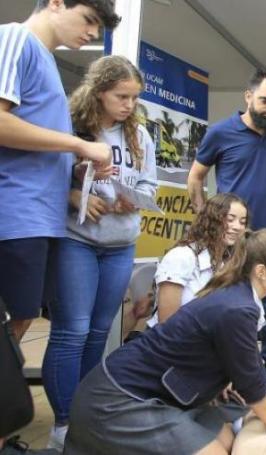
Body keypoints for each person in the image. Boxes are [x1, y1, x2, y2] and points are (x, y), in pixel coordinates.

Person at [63, 229, 266, 455]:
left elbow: (251, 366)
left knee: (226, 441)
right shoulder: (237, 307)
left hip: (160, 394)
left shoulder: (239, 297)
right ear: (261, 271)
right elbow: (249, 379)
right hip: (117, 401)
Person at [40, 55, 157, 451]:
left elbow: (150, 189)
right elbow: (39, 179)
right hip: (77, 241)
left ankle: (85, 414)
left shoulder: (141, 138)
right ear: (99, 92)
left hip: (120, 245)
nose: (128, 105)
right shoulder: (70, 129)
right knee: (71, 331)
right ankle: (63, 422)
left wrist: (134, 201)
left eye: (134, 98)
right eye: (121, 96)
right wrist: (75, 195)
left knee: (98, 334)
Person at [0, 0, 117, 348]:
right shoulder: (15, 38)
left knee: (18, 322)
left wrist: (77, 171)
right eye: (89, 20)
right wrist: (78, 146)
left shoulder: (47, 62)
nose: (93, 33)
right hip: (16, 214)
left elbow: (34, 146)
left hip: (41, 218)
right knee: (9, 324)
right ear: (55, 3)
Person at [187, 69, 266, 398]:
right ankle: (228, 376)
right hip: (231, 241)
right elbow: (196, 178)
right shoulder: (221, 133)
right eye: (265, 100)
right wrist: (204, 220)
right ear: (248, 97)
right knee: (230, 310)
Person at [148, 193, 248, 328]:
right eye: (230, 219)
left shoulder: (229, 262)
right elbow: (167, 325)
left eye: (242, 222)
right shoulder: (181, 257)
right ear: (212, 220)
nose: (237, 227)